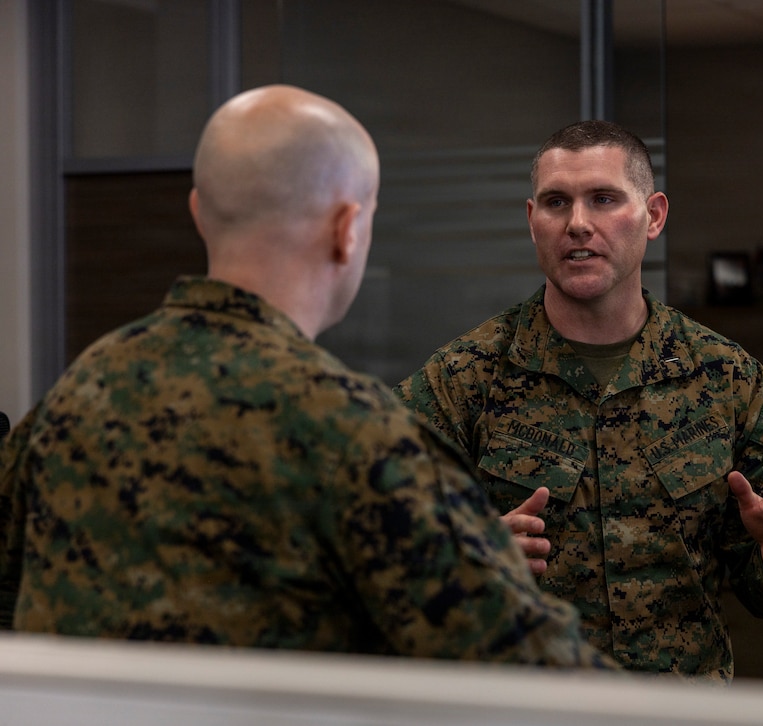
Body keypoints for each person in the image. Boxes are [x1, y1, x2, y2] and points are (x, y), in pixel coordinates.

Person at [0, 85, 615, 670]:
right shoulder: (355, 434)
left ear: (198, 213)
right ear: (347, 230)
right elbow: (535, 666)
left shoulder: (76, 393)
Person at [396, 120, 763, 680]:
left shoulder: (727, 380)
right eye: (557, 202)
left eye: (603, 199)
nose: (578, 223)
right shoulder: (462, 380)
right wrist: (458, 561)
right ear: (532, 221)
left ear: (654, 216)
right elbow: (369, 553)